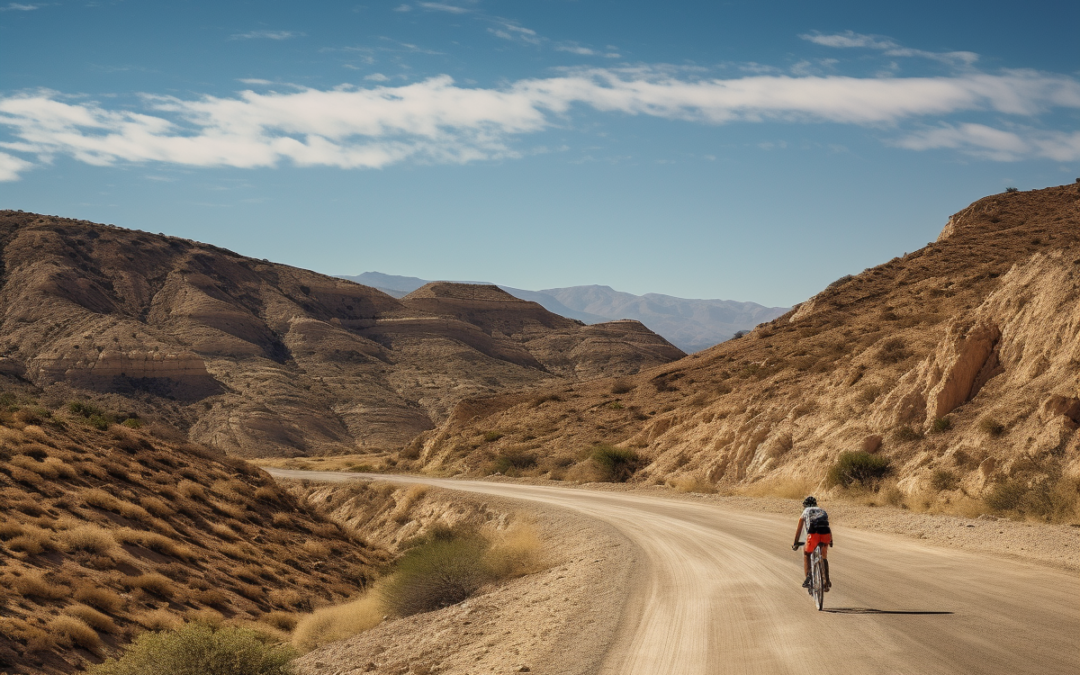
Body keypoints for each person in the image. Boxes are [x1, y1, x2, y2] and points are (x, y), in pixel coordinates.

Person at [791, 495, 832, 591]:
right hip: (825, 535)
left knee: (807, 554)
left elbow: (799, 530)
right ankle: (826, 581)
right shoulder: (822, 511)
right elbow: (826, 525)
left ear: (805, 506)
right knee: (824, 556)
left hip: (813, 535)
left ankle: (808, 579)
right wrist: (831, 541)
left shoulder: (805, 512)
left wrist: (796, 543)